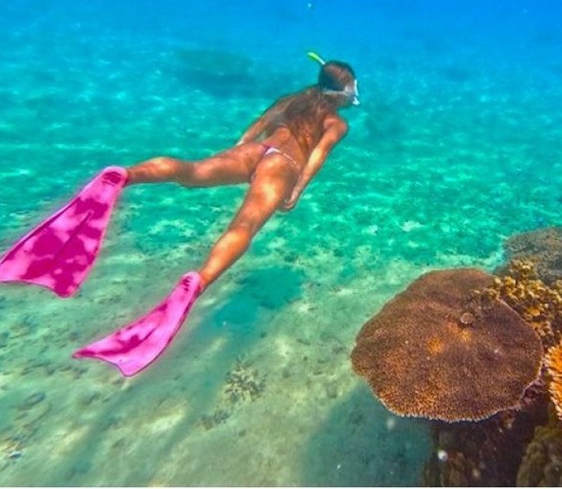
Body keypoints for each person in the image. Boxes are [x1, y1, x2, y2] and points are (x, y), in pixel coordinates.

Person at [0, 52, 358, 376]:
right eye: (353, 87)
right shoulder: (337, 124)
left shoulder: (293, 99)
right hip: (285, 165)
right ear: (343, 92)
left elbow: (258, 124)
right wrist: (296, 189)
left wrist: (236, 152)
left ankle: (123, 175)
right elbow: (317, 155)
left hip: (255, 150)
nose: (355, 92)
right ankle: (198, 281)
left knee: (190, 172)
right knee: (244, 226)